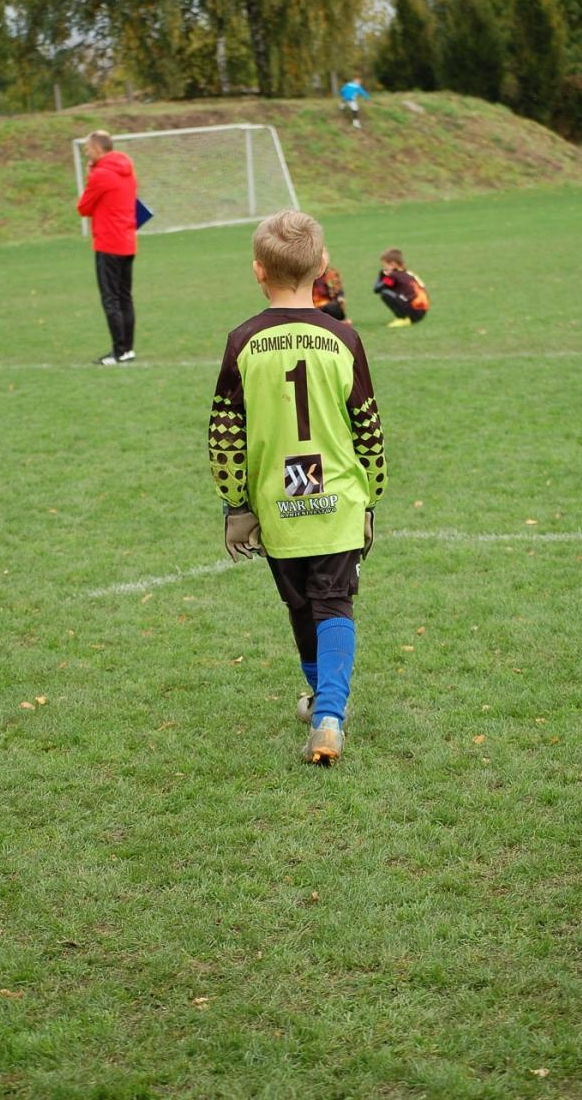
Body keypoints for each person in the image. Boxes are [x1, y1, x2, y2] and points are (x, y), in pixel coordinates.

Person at [208, 210, 387, 765]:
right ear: (323, 267)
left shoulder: (241, 341)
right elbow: (368, 427)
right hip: (336, 497)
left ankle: (324, 704)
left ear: (258, 271)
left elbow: (225, 434)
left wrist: (236, 502)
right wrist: (370, 496)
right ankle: (329, 713)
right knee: (333, 602)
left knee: (301, 604)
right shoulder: (344, 338)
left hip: (278, 502)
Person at [76, 130, 138, 365]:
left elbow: (83, 207)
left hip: (108, 243)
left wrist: (91, 172)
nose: (86, 152)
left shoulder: (101, 174)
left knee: (110, 298)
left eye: (87, 148)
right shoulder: (127, 170)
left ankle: (118, 351)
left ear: (98, 149)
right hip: (127, 241)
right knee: (125, 297)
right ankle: (127, 349)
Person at [373, 248, 430, 328]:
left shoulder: (393, 276)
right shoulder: (407, 273)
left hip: (414, 311)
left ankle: (403, 318)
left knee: (385, 293)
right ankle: (406, 318)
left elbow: (377, 289)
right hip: (422, 311)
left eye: (384, 265)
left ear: (392, 264)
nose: (384, 268)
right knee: (393, 292)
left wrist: (381, 275)